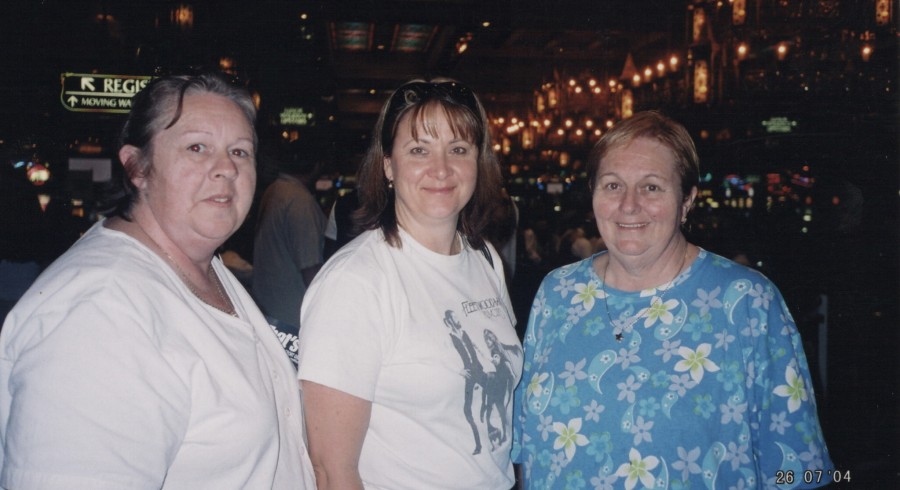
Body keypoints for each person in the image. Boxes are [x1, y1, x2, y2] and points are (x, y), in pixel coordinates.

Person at [0, 72, 316, 489]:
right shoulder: (99, 315)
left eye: (240, 151)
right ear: (137, 166)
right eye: (197, 147)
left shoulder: (203, 263)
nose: (226, 169)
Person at [512, 111, 833, 489]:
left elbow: (798, 469)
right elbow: (524, 447)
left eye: (652, 187)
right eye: (612, 185)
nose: (629, 205)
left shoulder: (747, 302)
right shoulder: (557, 293)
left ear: (686, 201)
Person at [297, 79, 522, 490]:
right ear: (387, 164)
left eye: (458, 149)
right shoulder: (357, 281)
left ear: (479, 161)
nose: (441, 169)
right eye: (419, 150)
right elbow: (330, 469)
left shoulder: (485, 258)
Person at [252, 138, 327, 341]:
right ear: (316, 166)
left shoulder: (274, 190)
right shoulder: (300, 201)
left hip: (269, 310)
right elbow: (310, 267)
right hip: (293, 318)